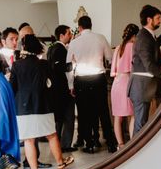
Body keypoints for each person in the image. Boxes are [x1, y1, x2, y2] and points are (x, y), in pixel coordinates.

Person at [10, 35, 73, 169]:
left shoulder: (17, 65)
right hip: (43, 105)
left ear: (24, 48)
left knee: (29, 140)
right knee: (51, 135)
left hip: (24, 108)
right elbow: (52, 84)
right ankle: (60, 163)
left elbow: (12, 88)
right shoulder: (44, 64)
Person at [66, 15, 115, 153]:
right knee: (103, 110)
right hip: (98, 77)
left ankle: (90, 143)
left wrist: (71, 85)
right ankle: (111, 143)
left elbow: (69, 66)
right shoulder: (100, 38)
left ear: (80, 27)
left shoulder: (74, 42)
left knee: (84, 113)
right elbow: (110, 58)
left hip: (81, 80)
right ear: (91, 25)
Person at [128, 5, 161, 135]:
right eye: (158, 18)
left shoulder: (147, 35)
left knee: (142, 123)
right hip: (141, 86)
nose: (160, 20)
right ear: (149, 19)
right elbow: (148, 64)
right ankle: (137, 154)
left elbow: (154, 45)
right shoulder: (144, 36)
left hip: (144, 86)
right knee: (140, 124)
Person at [47, 25, 76, 152]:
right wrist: (72, 64)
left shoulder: (51, 48)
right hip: (62, 88)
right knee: (68, 117)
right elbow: (60, 68)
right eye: (69, 33)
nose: (71, 35)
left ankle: (57, 143)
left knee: (58, 117)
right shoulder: (60, 49)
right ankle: (65, 144)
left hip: (54, 89)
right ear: (61, 36)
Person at [110, 24, 139, 148]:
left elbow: (113, 70)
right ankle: (132, 143)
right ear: (134, 36)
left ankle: (120, 144)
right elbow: (134, 67)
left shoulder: (118, 48)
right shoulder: (132, 46)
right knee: (132, 114)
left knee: (117, 116)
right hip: (127, 82)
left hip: (116, 84)